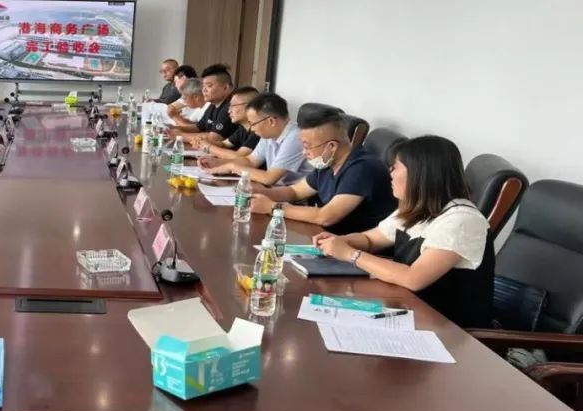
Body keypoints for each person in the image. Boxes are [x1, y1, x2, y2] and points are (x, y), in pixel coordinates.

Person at [315, 136, 493, 328]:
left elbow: (413, 278)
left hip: (446, 329)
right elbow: (371, 239)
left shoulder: (462, 220)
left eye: (395, 167)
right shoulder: (418, 207)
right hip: (407, 309)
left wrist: (350, 254)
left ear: (419, 173)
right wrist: (340, 241)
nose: (390, 173)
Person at [250, 108, 396, 234]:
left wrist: (271, 207)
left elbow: (325, 217)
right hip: (327, 237)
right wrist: (262, 192)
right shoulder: (328, 163)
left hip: (354, 246)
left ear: (331, 146)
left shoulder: (362, 168)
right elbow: (294, 192)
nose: (304, 153)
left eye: (308, 146)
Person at [200, 93, 310, 185]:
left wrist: (231, 167)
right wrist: (218, 162)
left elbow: (269, 178)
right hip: (278, 190)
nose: (252, 129)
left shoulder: (296, 137)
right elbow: (251, 161)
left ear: (271, 121)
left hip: (296, 197)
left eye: (253, 124)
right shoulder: (270, 134)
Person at [170, 64, 237, 142]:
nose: (204, 90)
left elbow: (215, 137)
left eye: (209, 86)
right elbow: (198, 127)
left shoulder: (230, 107)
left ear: (225, 88)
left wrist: (181, 136)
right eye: (203, 86)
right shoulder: (213, 105)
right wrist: (174, 128)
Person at [193, 86, 261, 160]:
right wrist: (203, 142)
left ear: (249, 106)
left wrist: (208, 147)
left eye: (233, 105)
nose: (229, 111)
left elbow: (239, 157)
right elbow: (224, 144)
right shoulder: (243, 128)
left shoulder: (259, 131)